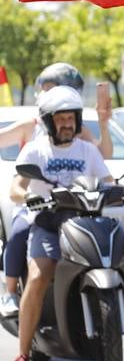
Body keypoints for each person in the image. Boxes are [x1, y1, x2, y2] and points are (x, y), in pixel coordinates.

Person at [8, 85, 114, 361]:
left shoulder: (88, 151)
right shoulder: (36, 150)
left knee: (119, 249)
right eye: (60, 119)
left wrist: (118, 189)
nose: (67, 124)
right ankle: (23, 355)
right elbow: (17, 187)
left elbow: (107, 178)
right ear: (48, 121)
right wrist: (27, 196)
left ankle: (110, 328)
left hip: (82, 222)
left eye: (71, 118)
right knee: (40, 275)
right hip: (48, 224)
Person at [0, 63, 113, 318]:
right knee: (18, 233)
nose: (45, 93)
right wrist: (30, 196)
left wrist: (104, 125)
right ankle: (8, 292)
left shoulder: (75, 127)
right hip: (36, 204)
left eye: (51, 88)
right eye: (44, 88)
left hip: (72, 206)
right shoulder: (32, 125)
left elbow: (102, 154)